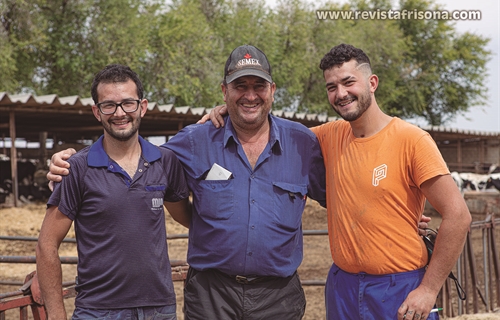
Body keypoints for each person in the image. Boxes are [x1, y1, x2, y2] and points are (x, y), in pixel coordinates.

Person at [46, 45, 327, 319]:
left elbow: (337, 197)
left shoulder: (303, 143)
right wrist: (65, 161)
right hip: (211, 295)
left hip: (279, 297)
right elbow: (134, 151)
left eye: (259, 86)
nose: (250, 95)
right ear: (224, 91)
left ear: (273, 90)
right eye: (240, 86)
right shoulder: (193, 141)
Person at [205, 44, 472, 320]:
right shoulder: (326, 137)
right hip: (343, 287)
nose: (341, 94)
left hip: (399, 286)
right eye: (331, 87)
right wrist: (229, 111)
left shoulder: (412, 140)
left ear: (372, 82)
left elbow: (458, 216)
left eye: (348, 82)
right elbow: (269, 131)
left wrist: (428, 289)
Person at [36, 64, 190, 320]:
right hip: (99, 310)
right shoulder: (76, 168)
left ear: (142, 106)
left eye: (128, 103)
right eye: (109, 105)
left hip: (159, 309)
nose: (119, 113)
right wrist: (56, 315)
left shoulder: (165, 161)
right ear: (97, 112)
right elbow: (46, 245)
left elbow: (188, 218)